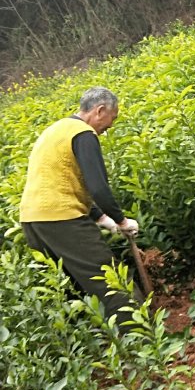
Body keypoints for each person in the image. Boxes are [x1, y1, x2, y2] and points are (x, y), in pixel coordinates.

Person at [19, 86, 143, 321]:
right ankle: (143, 338)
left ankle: (100, 344)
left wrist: (103, 219)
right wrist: (122, 220)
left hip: (32, 220)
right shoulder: (83, 133)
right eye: (112, 118)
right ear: (100, 110)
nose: (111, 126)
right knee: (109, 278)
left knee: (72, 287)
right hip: (61, 219)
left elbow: (62, 183)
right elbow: (98, 188)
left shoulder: (56, 130)